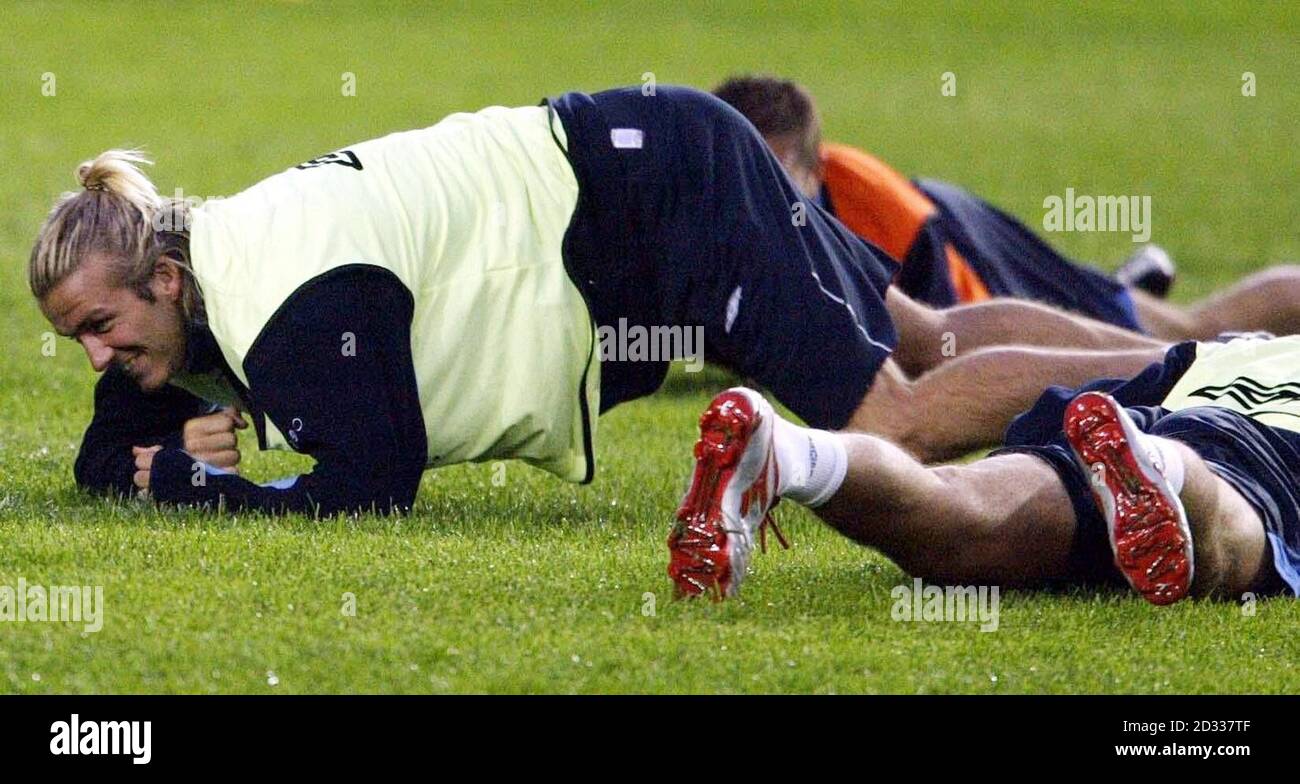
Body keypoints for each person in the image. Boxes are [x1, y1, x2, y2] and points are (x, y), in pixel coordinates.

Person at [31, 86, 1164, 517]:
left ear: (163, 279)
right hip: (632, 194)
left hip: (657, 198)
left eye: (99, 326)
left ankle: (1193, 375)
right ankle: (1212, 347)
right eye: (77, 335)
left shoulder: (283, 295)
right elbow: (101, 453)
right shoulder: (204, 276)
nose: (95, 356)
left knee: (890, 421)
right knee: (925, 332)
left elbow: (373, 480)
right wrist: (144, 454)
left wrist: (189, 482)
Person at [667, 334, 1299, 605]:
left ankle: (787, 452)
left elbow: (1131, 381)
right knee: (1236, 544)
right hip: (1258, 449)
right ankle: (1166, 472)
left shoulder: (1245, 346)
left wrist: (1048, 443)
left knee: (963, 519)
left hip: (1146, 415)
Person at [712, 75, 1300, 341]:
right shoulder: (726, 197)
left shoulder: (880, 216)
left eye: (777, 171)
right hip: (952, 219)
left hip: (979, 253)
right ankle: (1117, 289)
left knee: (1182, 335)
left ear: (813, 170)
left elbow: (954, 333)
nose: (761, 187)